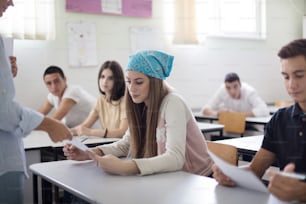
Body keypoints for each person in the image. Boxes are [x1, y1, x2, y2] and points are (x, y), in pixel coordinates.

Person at [63, 50, 213, 176]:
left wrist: (126, 167)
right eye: (128, 81)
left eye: (139, 82)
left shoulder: (173, 103)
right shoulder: (141, 104)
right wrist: (90, 152)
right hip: (171, 179)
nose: (132, 88)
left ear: (155, 82)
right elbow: (127, 144)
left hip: (197, 180)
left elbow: (175, 158)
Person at [212, 39, 306, 202]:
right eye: (285, 77)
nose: (291, 84)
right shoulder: (280, 120)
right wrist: (232, 175)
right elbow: (255, 170)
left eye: (299, 75)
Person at [0, 1, 72, 203]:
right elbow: (4, 110)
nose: (11, 3)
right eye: (48, 83)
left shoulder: (72, 93)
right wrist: (48, 125)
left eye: (57, 81)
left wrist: (6, 75)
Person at [70, 60, 128, 138]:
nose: (105, 81)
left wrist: (90, 132)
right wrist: (67, 132)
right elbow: (84, 126)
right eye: (102, 77)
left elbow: (122, 132)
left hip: (123, 145)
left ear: (118, 80)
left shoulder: (125, 101)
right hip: (110, 144)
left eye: (110, 78)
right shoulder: (100, 101)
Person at [201, 72, 269, 117]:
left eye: (235, 87)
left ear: (240, 84)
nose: (232, 91)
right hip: (230, 128)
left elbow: (264, 110)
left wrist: (237, 115)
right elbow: (205, 109)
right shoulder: (222, 90)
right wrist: (218, 113)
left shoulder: (249, 92)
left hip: (249, 127)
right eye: (228, 88)